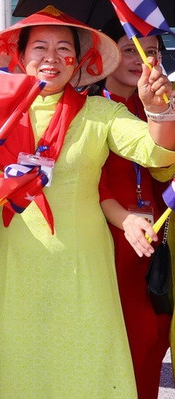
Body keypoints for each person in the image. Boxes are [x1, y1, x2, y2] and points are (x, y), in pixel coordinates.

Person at [0, 6, 175, 397]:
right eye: (39, 47)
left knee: (85, 369)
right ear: (19, 56)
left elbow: (158, 153)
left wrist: (158, 107)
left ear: (79, 60)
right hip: (7, 265)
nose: (52, 58)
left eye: (64, 48)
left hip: (83, 267)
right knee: (10, 366)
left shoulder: (100, 113)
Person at [92, 22, 172, 398]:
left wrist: (163, 112)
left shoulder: (162, 105)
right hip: (105, 240)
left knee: (151, 341)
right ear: (106, 54)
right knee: (109, 345)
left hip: (155, 240)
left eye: (151, 51)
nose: (142, 59)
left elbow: (164, 176)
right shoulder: (90, 109)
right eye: (129, 49)